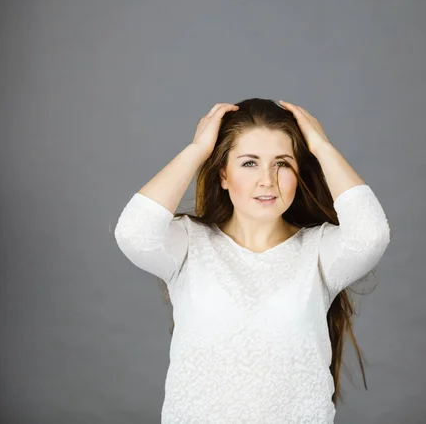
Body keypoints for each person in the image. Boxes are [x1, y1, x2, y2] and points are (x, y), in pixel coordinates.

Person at [114, 98, 391, 423]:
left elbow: (371, 236)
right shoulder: (187, 244)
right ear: (223, 174)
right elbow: (134, 232)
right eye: (249, 163)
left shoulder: (320, 252)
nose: (267, 180)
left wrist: (321, 146)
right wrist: (197, 150)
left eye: (283, 163)